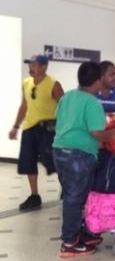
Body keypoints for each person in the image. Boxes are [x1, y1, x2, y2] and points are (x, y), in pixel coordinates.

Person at [53, 62, 115, 258]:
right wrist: (112, 135)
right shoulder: (92, 103)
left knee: (73, 195)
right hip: (79, 155)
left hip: (59, 151)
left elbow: (60, 119)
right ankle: (69, 243)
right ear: (98, 80)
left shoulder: (67, 97)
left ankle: (77, 233)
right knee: (75, 199)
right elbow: (97, 132)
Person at [9, 54, 64, 211]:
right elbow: (24, 105)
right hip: (29, 128)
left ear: (43, 67)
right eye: (30, 64)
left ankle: (67, 187)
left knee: (54, 161)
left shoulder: (53, 84)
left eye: (34, 65)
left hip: (48, 128)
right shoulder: (26, 83)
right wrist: (16, 126)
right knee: (28, 161)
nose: (30, 67)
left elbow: (65, 107)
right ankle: (34, 196)